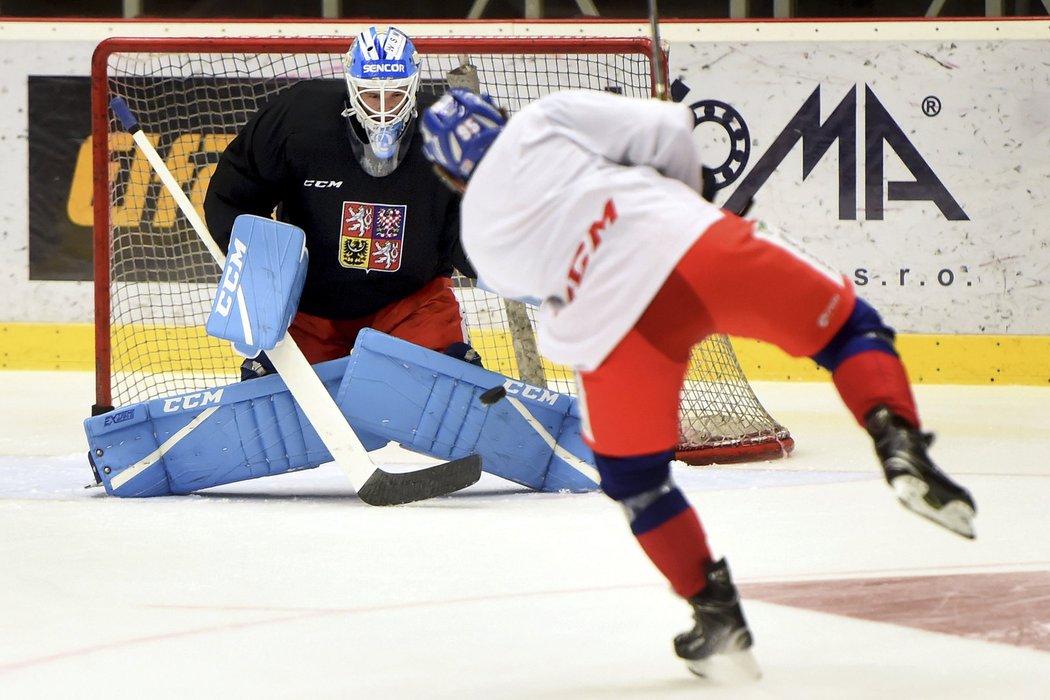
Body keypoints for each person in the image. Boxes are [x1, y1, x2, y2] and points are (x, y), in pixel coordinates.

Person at [419, 88, 977, 679]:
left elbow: (540, 288)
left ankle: (717, 618)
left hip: (615, 327)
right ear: (497, 119)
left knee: (636, 482)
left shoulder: (478, 236)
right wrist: (686, 198)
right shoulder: (542, 118)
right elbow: (669, 128)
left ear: (448, 176)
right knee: (849, 329)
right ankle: (898, 442)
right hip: (687, 243)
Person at [204, 25, 477, 380]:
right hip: (307, 308)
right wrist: (259, 275)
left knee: (452, 396)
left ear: (413, 86)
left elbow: (472, 225)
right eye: (370, 95)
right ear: (351, 85)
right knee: (276, 411)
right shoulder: (297, 118)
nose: (383, 110)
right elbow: (234, 194)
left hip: (411, 304)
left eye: (394, 95)